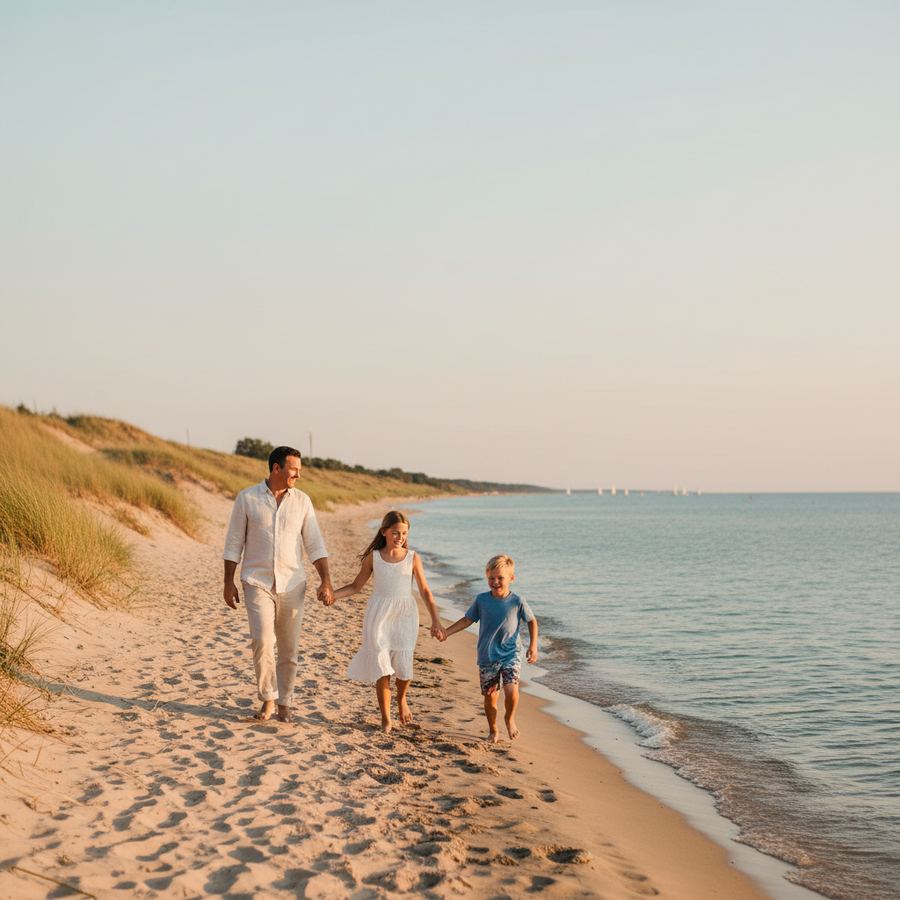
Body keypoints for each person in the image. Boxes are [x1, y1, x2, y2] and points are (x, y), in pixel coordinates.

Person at [223, 446, 334, 724]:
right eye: (294, 469)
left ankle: (285, 703)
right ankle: (269, 699)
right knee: (262, 640)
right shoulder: (247, 498)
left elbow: (314, 544)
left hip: (293, 584)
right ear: (276, 468)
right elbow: (234, 543)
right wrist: (228, 582)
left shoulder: (303, 502)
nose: (298, 474)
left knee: (288, 649)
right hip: (256, 581)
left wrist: (326, 580)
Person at [333, 510, 444, 733]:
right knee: (382, 666)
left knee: (403, 666)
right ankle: (386, 719)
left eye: (404, 533)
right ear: (384, 532)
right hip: (379, 614)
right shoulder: (373, 558)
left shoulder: (413, 558)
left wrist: (436, 621)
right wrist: (333, 595)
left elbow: (425, 590)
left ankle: (401, 699)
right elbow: (356, 587)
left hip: (404, 615)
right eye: (395, 532)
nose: (400, 537)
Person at [439, 554, 538, 743]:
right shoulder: (482, 600)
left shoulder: (517, 601)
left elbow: (532, 621)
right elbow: (468, 620)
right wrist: (447, 632)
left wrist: (533, 646)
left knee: (511, 691)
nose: (495, 582)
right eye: (491, 578)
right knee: (490, 697)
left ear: (511, 578)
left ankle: (509, 718)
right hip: (487, 655)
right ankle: (493, 730)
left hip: (511, 654)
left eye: (500, 578)